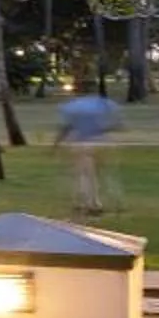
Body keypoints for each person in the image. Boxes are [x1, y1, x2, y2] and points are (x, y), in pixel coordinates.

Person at [54, 84, 123, 218]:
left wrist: (55, 145)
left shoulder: (71, 107)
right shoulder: (104, 104)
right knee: (104, 174)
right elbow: (117, 124)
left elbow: (66, 127)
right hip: (102, 142)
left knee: (85, 175)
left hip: (82, 143)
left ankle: (90, 203)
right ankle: (115, 200)